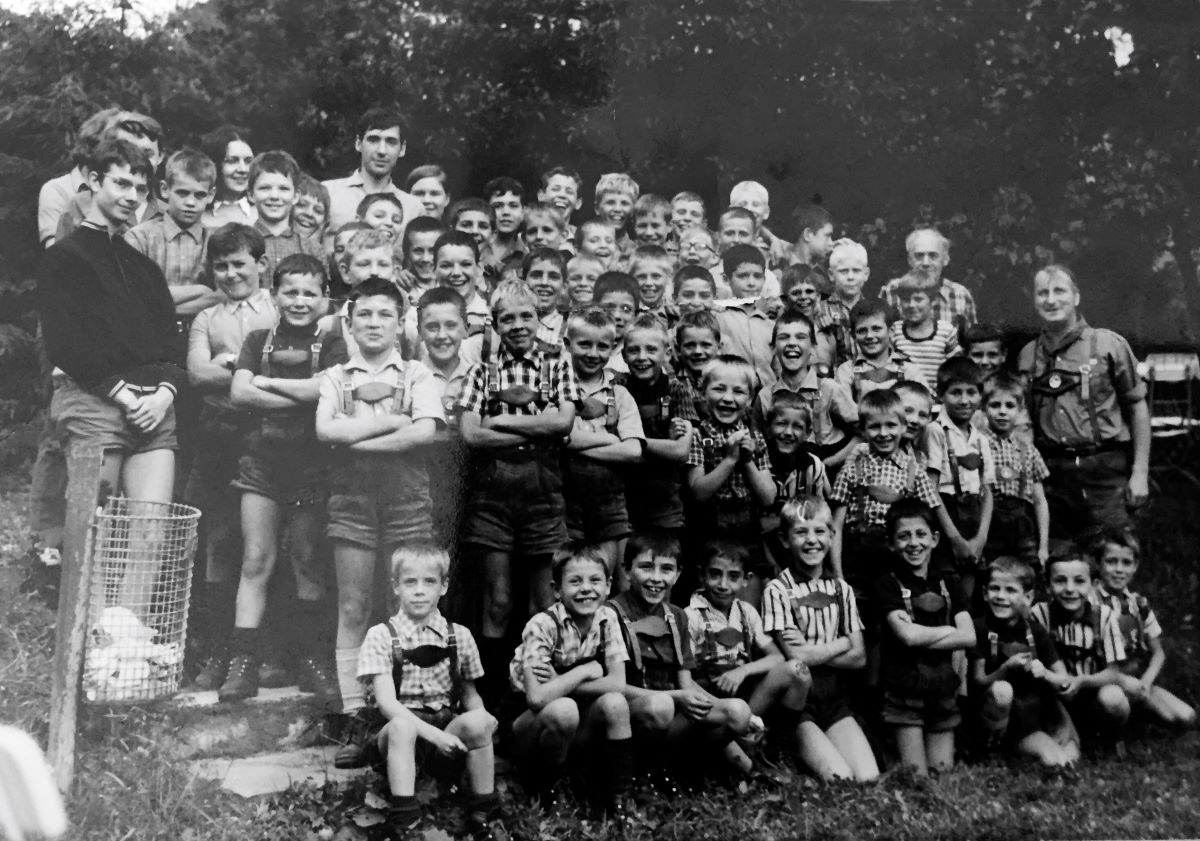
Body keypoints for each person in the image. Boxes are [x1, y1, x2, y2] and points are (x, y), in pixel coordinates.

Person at [35, 138, 183, 620]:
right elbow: (65, 342)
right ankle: (85, 645)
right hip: (95, 402)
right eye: (120, 182)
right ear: (94, 182)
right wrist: (121, 393)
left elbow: (170, 343)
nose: (130, 195)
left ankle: (123, 648)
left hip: (153, 410)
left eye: (140, 187)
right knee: (93, 530)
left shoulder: (143, 267)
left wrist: (163, 394)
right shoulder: (66, 256)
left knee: (150, 532)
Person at [315, 278, 443, 764]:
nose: (374, 323)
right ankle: (356, 719)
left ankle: (412, 715)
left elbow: (425, 433)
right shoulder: (334, 376)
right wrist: (393, 422)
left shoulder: (418, 374)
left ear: (400, 322)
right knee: (353, 605)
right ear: (349, 322)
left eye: (384, 314)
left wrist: (355, 439)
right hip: (352, 499)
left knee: (408, 605)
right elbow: (325, 430)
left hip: (406, 499)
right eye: (364, 314)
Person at [219, 253, 346, 702]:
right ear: (274, 295)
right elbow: (238, 392)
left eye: (310, 292)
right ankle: (242, 663)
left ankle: (312, 660)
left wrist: (266, 387)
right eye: (290, 291)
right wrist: (304, 397)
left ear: (325, 299)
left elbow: (328, 390)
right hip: (261, 466)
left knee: (308, 560)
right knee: (256, 559)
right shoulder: (258, 339)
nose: (299, 300)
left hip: (312, 467)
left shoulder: (333, 342)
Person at [457, 279, 579, 706]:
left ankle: (537, 691)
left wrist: (502, 423)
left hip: (544, 494)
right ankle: (494, 701)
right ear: (494, 323)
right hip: (493, 497)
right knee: (499, 601)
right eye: (507, 318)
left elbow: (562, 424)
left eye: (526, 315)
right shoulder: (482, 371)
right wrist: (533, 430)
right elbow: (471, 435)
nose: (518, 325)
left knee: (543, 602)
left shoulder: (557, 362)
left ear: (539, 319)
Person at [356, 543, 506, 841]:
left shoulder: (459, 636)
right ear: (395, 586)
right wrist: (436, 736)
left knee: (477, 720)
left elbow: (470, 694)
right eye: (410, 582)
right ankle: (405, 818)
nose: (420, 591)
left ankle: (482, 814)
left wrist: (482, 718)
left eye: (430, 582)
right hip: (398, 736)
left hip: (445, 728)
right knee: (401, 726)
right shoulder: (382, 635)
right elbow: (387, 704)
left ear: (444, 586)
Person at [183, 224, 277, 690]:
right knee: (219, 541)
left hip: (268, 435)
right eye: (221, 265)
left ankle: (270, 652)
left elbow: (293, 365)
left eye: (240, 263)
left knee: (263, 545)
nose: (231, 273)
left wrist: (234, 368)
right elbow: (198, 375)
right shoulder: (207, 318)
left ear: (261, 263)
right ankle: (220, 650)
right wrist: (252, 373)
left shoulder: (280, 309)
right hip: (219, 435)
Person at [608, 533, 759, 784]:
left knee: (738, 712)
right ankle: (640, 774)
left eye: (666, 569)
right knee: (661, 707)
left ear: (678, 574)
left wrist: (734, 714)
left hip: (673, 711)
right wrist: (676, 697)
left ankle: (684, 768)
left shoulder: (677, 616)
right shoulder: (611, 613)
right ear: (626, 570)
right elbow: (613, 689)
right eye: (646, 567)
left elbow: (686, 683)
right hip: (634, 712)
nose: (656, 578)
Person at [1017, 264, 1150, 539]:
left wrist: (1139, 472)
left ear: (1076, 297)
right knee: (1059, 561)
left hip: (1104, 467)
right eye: (1042, 293)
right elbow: (1023, 422)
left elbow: (1137, 406)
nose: (1051, 300)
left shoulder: (1108, 345)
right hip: (1050, 471)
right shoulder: (1029, 355)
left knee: (1112, 550)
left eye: (1059, 291)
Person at [506, 545, 633, 819]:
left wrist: (560, 682)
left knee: (615, 704)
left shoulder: (607, 617)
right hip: (529, 724)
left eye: (595, 580)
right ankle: (549, 788)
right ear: (556, 589)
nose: (586, 589)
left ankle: (617, 796)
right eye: (575, 581)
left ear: (609, 586)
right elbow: (537, 698)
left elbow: (618, 684)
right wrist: (583, 671)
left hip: (576, 717)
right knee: (564, 709)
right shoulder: (542, 625)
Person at [761, 496, 878, 782]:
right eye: (801, 532)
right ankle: (788, 752)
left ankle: (818, 756)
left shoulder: (841, 589)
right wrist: (841, 643)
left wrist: (813, 650)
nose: (811, 540)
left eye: (819, 531)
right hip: (799, 705)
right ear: (785, 539)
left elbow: (859, 658)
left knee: (868, 779)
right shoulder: (778, 590)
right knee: (841, 778)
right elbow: (798, 659)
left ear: (832, 535)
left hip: (835, 700)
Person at [686, 540, 812, 773]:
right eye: (715, 575)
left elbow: (776, 657)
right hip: (709, 700)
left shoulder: (747, 612)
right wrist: (716, 703)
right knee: (744, 770)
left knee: (798, 670)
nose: (723, 585)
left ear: (746, 579)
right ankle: (730, 760)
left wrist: (742, 670)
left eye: (733, 577)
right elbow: (684, 677)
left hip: (745, 694)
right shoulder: (690, 616)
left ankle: (777, 751)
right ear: (701, 576)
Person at [875, 499, 976, 774]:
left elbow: (968, 637)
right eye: (903, 536)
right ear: (891, 543)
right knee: (916, 778)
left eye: (921, 535)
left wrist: (925, 633)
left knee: (942, 772)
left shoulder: (950, 583)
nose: (913, 543)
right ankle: (891, 750)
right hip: (904, 693)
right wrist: (948, 631)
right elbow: (906, 636)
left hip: (943, 690)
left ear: (934, 539)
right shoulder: (888, 585)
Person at [684, 355, 776, 607]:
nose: (727, 398)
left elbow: (768, 496)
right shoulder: (698, 435)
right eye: (719, 389)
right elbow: (698, 492)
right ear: (703, 393)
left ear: (749, 400)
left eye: (738, 392)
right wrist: (729, 459)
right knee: (708, 603)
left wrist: (746, 460)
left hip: (747, 530)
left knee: (747, 602)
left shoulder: (755, 438)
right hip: (708, 529)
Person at [968, 557, 1079, 765]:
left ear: (1027, 598)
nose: (1001, 597)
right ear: (984, 593)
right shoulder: (979, 628)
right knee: (1002, 690)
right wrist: (1005, 669)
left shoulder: (1035, 631)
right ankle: (992, 751)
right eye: (994, 589)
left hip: (1032, 715)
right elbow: (978, 682)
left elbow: (1064, 680)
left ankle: (1026, 752)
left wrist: (1045, 673)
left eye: (1010, 590)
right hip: (993, 712)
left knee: (1067, 758)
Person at [561, 307, 645, 575]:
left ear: (614, 347)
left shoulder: (619, 394)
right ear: (567, 344)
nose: (593, 354)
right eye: (584, 344)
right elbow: (563, 438)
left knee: (608, 578)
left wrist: (577, 446)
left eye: (602, 346)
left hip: (609, 502)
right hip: (564, 499)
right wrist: (609, 440)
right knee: (567, 575)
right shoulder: (556, 388)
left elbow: (632, 449)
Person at [1086, 527, 1196, 728]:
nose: (1119, 569)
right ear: (1099, 564)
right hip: (1104, 681)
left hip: (1137, 678)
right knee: (1112, 701)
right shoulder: (1089, 602)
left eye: (1126, 563)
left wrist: (1145, 682)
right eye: (1111, 561)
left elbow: (1158, 653)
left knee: (1186, 717)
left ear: (1135, 566)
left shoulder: (1139, 604)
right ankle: (1112, 733)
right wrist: (1123, 682)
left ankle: (1140, 714)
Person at [1029, 552, 1130, 749]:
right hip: (1054, 695)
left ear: (1093, 585)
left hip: (1091, 691)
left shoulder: (1104, 616)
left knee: (1114, 698)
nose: (1069, 589)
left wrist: (1081, 681)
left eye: (1079, 581)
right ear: (1048, 585)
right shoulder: (1039, 614)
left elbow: (1113, 672)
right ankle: (1061, 731)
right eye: (1059, 581)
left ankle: (1112, 735)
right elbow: (1034, 667)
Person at [126, 148, 222, 353]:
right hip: (150, 340)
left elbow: (223, 297)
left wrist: (157, 304)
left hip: (204, 342)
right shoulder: (139, 237)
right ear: (164, 189)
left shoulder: (217, 240)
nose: (190, 202)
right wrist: (201, 291)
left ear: (211, 195)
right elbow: (133, 297)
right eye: (182, 193)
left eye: (199, 195)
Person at [751, 307, 857, 469]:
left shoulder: (829, 389)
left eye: (801, 337)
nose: (792, 343)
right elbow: (756, 441)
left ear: (813, 347)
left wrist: (831, 462)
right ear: (773, 348)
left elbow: (862, 432)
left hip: (827, 469)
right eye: (784, 337)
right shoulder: (766, 396)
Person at [925, 358, 994, 603]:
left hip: (974, 518)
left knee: (969, 587)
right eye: (956, 392)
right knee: (947, 587)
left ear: (980, 396)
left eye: (971, 392)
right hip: (946, 516)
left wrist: (980, 539)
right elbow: (930, 490)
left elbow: (988, 492)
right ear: (941, 394)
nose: (964, 400)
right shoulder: (936, 431)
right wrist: (955, 539)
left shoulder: (981, 439)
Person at [619, 315, 694, 537]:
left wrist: (626, 442)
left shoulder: (676, 390)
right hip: (623, 500)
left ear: (667, 353)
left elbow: (680, 451)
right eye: (634, 351)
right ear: (623, 355)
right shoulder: (617, 387)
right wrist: (662, 444)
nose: (642, 357)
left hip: (665, 503)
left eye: (651, 350)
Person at [415, 287, 472, 554]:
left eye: (451, 325)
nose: (442, 335)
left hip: (469, 479)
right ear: (419, 330)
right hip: (426, 479)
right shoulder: (411, 376)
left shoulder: (479, 374)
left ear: (466, 327)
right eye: (432, 327)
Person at [980, 372, 1049, 566]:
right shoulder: (977, 445)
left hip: (1022, 529)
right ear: (984, 408)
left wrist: (1042, 547)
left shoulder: (1028, 450)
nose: (1002, 412)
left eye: (1009, 406)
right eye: (995, 405)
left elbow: (1039, 501)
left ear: (1020, 409)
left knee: (1027, 572)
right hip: (990, 527)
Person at [324, 107, 423, 232]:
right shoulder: (329, 193)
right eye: (373, 140)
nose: (382, 151)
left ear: (402, 149)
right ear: (358, 143)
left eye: (391, 142)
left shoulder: (414, 208)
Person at [879, 228, 977, 333]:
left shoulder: (960, 294)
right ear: (909, 260)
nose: (926, 263)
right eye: (919, 256)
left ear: (945, 259)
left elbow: (972, 342)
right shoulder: (892, 290)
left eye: (933, 255)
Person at [248, 150, 324, 286]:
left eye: (283, 189)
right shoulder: (240, 243)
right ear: (250, 195)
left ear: (295, 196)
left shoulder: (313, 249)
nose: (274, 196)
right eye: (265, 188)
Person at [834, 300, 922, 403]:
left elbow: (922, 406)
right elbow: (844, 410)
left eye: (876, 329)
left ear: (891, 331)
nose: (869, 336)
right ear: (853, 336)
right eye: (862, 331)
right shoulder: (847, 371)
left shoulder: (909, 371)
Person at [714, 244, 774, 390]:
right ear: (726, 279)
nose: (751, 283)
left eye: (757, 276)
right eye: (743, 276)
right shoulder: (718, 319)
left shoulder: (771, 325)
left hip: (768, 397)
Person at [889, 271, 961, 394]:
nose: (911, 305)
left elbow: (956, 371)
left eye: (918, 299)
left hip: (938, 401)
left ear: (933, 300)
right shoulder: (895, 331)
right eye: (906, 300)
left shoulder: (946, 332)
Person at [201, 124, 256, 228]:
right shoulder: (198, 217)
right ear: (215, 164)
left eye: (248, 161)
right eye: (232, 161)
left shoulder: (264, 214)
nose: (242, 169)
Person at [594, 271, 640, 374]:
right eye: (609, 308)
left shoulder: (640, 355)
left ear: (636, 315)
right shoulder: (583, 349)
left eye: (626, 309)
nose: (617, 316)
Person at [524, 248, 568, 346]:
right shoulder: (510, 324)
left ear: (564, 286)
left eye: (553, 277)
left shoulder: (570, 332)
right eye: (536, 275)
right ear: (523, 282)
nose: (544, 282)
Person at [484, 176, 526, 267]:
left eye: (513, 206)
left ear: (523, 212)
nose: (506, 212)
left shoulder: (527, 254)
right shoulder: (477, 247)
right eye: (497, 206)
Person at [630, 245, 673, 326]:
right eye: (641, 277)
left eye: (656, 276)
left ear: (667, 278)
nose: (648, 283)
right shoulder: (626, 315)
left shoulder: (674, 316)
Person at [292, 175, 330, 245]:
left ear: (324, 221)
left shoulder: (321, 254)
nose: (309, 213)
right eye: (302, 205)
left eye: (318, 211)